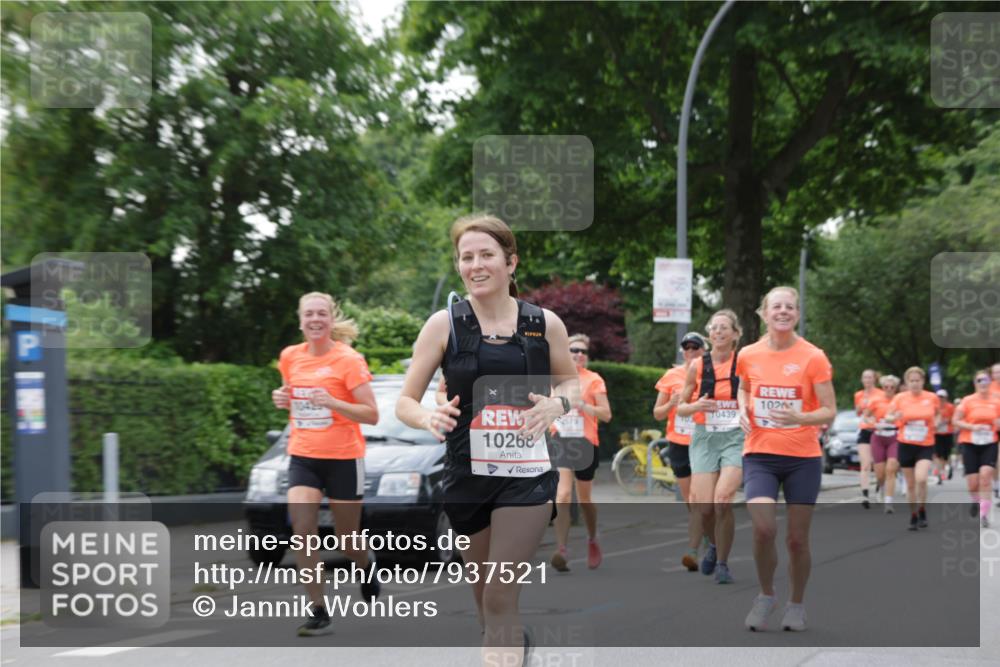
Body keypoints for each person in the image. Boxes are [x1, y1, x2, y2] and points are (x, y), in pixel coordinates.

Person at [395, 214, 580, 665]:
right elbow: (405, 401)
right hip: (466, 479)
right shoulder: (444, 325)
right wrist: (428, 417)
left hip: (527, 477)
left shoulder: (544, 324)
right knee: (486, 606)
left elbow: (571, 385)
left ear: (511, 262)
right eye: (466, 257)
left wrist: (558, 405)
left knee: (499, 597)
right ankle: (514, 647)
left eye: (486, 255)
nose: (475, 265)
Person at [271, 292, 380, 636]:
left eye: (322, 314)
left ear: (331, 320)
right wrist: (281, 397)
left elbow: (372, 414)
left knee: (348, 540)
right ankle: (319, 609)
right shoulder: (290, 356)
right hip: (303, 455)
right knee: (303, 533)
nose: (315, 320)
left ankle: (366, 565)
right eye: (309, 315)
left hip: (344, 458)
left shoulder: (348, 360)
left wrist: (333, 401)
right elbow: (292, 396)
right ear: (300, 320)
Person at [736, 286, 836, 632]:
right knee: (763, 529)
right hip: (760, 454)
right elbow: (745, 387)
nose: (783, 311)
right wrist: (741, 410)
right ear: (764, 313)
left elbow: (829, 409)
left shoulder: (814, 357)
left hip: (802, 458)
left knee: (796, 540)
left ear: (796, 313)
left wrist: (801, 419)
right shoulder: (748, 354)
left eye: (789, 307)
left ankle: (796, 604)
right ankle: (766, 596)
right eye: (776, 306)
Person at [677, 310, 744, 585]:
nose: (718, 332)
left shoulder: (745, 363)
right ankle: (713, 546)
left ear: (735, 334)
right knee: (704, 508)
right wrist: (697, 406)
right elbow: (681, 408)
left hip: (736, 436)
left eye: (724, 327)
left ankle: (723, 563)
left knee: (723, 499)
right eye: (714, 328)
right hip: (705, 437)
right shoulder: (697, 366)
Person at [549, 334, 612, 572]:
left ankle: (592, 537)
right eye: (574, 350)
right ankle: (561, 550)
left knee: (584, 499)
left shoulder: (594, 380)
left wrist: (583, 406)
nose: (579, 355)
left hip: (586, 442)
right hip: (561, 440)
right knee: (563, 494)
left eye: (583, 351)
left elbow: (606, 414)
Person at [654, 331, 709, 572]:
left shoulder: (711, 374)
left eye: (695, 348)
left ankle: (693, 549)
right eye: (686, 348)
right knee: (690, 501)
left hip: (704, 441)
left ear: (703, 351)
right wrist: (672, 402)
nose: (690, 352)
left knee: (698, 500)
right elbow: (657, 413)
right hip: (678, 443)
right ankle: (707, 534)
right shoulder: (671, 376)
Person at [885, 367, 941, 531]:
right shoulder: (900, 398)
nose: (915, 383)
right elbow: (888, 416)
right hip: (906, 443)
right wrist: (893, 417)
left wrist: (936, 422)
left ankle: (922, 509)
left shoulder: (931, 397)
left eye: (918, 380)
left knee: (921, 479)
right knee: (910, 485)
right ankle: (914, 514)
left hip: (925, 443)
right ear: (907, 382)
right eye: (912, 381)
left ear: (923, 382)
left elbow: (938, 413)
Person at [953, 369, 1000, 527]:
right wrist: (971, 427)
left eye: (986, 380)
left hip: (990, 442)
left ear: (990, 382)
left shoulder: (997, 400)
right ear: (975, 383)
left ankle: (984, 514)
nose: (983, 383)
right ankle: (976, 501)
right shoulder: (967, 400)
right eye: (979, 380)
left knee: (985, 476)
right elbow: (955, 420)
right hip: (969, 443)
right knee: (973, 483)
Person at [865, 375, 901, 513]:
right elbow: (866, 416)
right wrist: (872, 423)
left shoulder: (900, 400)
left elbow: (905, 414)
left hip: (894, 436)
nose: (889, 389)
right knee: (880, 474)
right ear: (882, 387)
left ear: (895, 388)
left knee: (891, 469)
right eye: (886, 386)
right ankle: (880, 487)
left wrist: (898, 418)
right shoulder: (876, 400)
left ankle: (888, 502)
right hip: (878, 437)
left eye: (892, 387)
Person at [854, 370, 883, 509]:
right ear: (862, 379)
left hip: (878, 431)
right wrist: (860, 408)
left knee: (878, 465)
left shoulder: (881, 394)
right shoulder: (858, 395)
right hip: (864, 430)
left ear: (874, 379)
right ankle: (865, 495)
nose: (868, 380)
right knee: (865, 465)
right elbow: (858, 413)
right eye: (865, 377)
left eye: (870, 377)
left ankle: (879, 489)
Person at [933, 389, 956, 483]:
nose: (940, 399)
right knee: (938, 455)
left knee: (946, 455)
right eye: (939, 397)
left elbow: (954, 418)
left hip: (947, 433)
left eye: (942, 397)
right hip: (937, 434)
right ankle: (940, 474)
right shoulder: (934, 407)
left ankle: (949, 466)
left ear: (946, 398)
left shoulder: (950, 407)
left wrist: (946, 421)